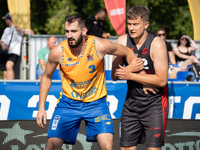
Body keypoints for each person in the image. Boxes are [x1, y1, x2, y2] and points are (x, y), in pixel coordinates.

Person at [36, 14, 141, 150]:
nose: (69, 35)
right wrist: (41, 108)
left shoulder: (99, 45)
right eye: (67, 31)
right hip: (68, 104)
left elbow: (127, 51)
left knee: (108, 147)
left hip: (96, 103)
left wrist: (134, 72)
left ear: (84, 31)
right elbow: (46, 77)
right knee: (51, 147)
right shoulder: (58, 52)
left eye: (74, 31)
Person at [111, 5, 168, 150]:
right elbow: (114, 75)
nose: (131, 28)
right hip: (131, 103)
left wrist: (131, 75)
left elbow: (161, 80)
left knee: (153, 148)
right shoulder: (122, 41)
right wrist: (129, 70)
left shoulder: (157, 44)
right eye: (129, 24)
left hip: (154, 105)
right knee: (125, 148)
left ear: (146, 24)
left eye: (135, 24)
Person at [0, 13, 34, 79]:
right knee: (5, 72)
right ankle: (5, 87)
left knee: (9, 66)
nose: (5, 21)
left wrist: (20, 30)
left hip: (14, 52)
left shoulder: (19, 27)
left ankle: (11, 84)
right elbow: (1, 40)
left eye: (6, 19)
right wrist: (3, 45)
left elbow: (32, 33)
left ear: (9, 20)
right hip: (5, 52)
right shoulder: (6, 30)